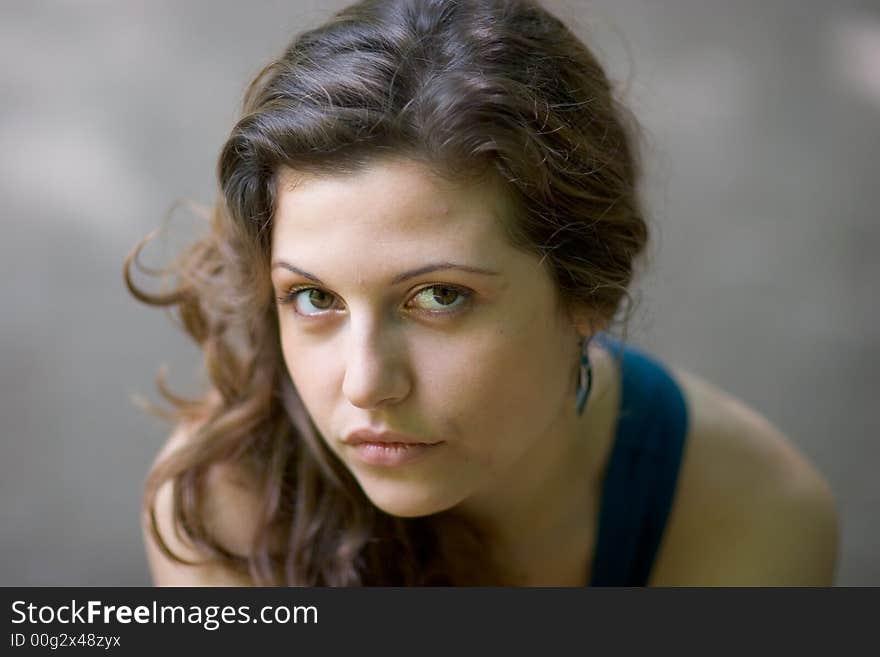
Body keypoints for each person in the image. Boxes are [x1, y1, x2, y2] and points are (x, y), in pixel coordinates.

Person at [126, 0, 839, 586]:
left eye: (438, 297)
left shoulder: (749, 514)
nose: (367, 384)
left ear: (587, 290)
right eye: (315, 298)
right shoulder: (224, 495)